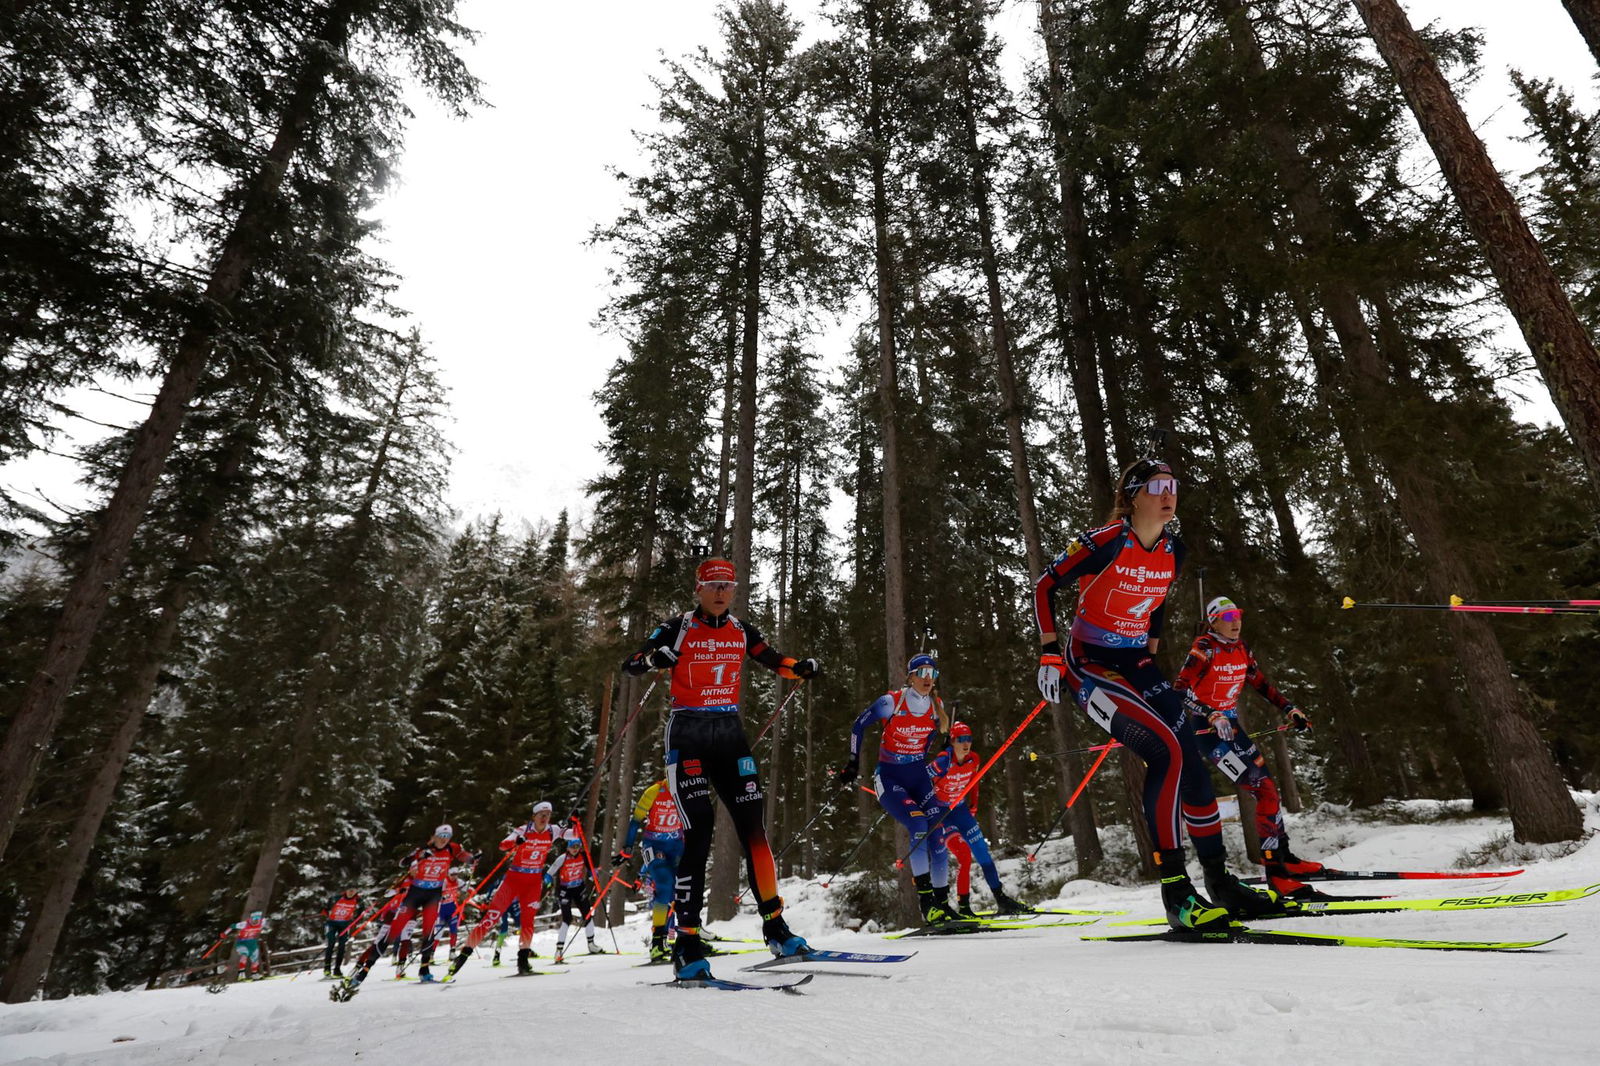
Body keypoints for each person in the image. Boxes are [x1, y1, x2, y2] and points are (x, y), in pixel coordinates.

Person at [1034, 458, 1278, 931]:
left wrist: (1148, 655)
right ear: (1133, 495)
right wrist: (1048, 653)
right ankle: (1176, 892)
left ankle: (1219, 881)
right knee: (1163, 750)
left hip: (1135, 661)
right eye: (1157, 486)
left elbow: (1158, 602)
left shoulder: (1174, 550)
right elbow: (1045, 585)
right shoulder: (1105, 541)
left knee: (1189, 753)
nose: (1168, 494)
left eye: (1174, 486)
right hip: (1089, 664)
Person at [622, 557, 820, 979]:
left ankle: (777, 928)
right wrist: (655, 659)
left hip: (729, 734)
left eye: (726, 585)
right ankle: (687, 941)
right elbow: (633, 661)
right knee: (699, 831)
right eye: (711, 584)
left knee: (755, 831)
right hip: (688, 733)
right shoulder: (678, 626)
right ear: (698, 589)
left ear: (733, 590)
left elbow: (773, 659)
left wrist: (798, 667)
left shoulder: (741, 631)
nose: (719, 592)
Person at [838, 657, 1025, 922]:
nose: (928, 677)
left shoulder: (936, 708)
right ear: (910, 676)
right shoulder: (892, 701)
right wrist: (853, 762)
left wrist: (929, 756)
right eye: (922, 672)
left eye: (932, 672)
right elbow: (859, 725)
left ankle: (941, 903)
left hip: (917, 778)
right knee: (918, 825)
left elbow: (927, 742)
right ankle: (927, 903)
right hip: (891, 779)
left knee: (937, 836)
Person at [1175, 595, 1320, 896]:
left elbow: (1262, 683)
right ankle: (1275, 873)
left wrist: (1289, 708)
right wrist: (1211, 713)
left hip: (1233, 729)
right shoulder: (1204, 648)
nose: (1235, 622)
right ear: (1213, 621)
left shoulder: (1241, 649)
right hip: (1208, 733)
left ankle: (1285, 859)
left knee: (1269, 791)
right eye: (1227, 618)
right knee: (1263, 791)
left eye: (1238, 615)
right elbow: (1179, 690)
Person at [334, 825, 473, 998]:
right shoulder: (422, 850)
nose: (444, 839)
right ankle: (363, 971)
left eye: (447, 836)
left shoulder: (452, 848)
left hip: (434, 894)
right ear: (434, 837)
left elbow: (463, 856)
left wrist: (472, 859)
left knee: (429, 932)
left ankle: (424, 971)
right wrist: (420, 858)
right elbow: (404, 862)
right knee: (393, 933)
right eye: (441, 836)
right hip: (415, 893)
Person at [450, 802, 561, 977]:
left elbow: (575, 835)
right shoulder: (523, 830)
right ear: (534, 816)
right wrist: (516, 842)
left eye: (548, 814)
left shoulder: (553, 830)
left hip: (533, 882)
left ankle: (523, 961)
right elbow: (503, 845)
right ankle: (464, 954)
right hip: (514, 879)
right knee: (491, 918)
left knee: (528, 922)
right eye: (541, 814)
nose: (545, 817)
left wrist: (573, 823)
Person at [613, 777, 685, 963]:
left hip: (676, 845)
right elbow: (636, 820)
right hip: (654, 845)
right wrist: (627, 848)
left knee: (684, 888)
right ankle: (657, 943)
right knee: (664, 884)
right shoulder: (654, 791)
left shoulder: (685, 789)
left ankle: (689, 936)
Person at [930, 721, 997, 919]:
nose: (966, 744)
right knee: (964, 856)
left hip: (961, 812)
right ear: (953, 741)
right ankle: (958, 906)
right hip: (943, 815)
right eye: (961, 740)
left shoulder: (973, 759)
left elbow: (974, 783)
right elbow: (923, 780)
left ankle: (996, 898)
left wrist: (974, 805)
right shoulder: (943, 761)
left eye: (969, 739)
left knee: (983, 853)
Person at [551, 831, 606, 959]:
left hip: (579, 888)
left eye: (577, 847)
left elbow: (591, 869)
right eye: (572, 847)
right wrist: (547, 880)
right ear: (568, 847)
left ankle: (591, 944)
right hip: (565, 890)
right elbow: (550, 871)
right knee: (567, 918)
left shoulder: (584, 856)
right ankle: (559, 950)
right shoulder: (562, 858)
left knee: (587, 915)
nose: (575, 850)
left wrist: (594, 874)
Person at [322, 889, 362, 977]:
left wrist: (355, 920)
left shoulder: (358, 901)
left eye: (353, 891)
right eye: (349, 890)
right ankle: (327, 969)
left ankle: (337, 969)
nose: (351, 893)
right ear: (346, 891)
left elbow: (360, 911)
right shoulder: (337, 898)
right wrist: (326, 912)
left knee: (342, 946)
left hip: (344, 925)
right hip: (332, 923)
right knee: (331, 944)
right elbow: (326, 907)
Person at [230, 910, 267, 981]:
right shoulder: (244, 924)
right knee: (244, 955)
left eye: (258, 919)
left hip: (252, 943)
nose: (256, 921)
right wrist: (224, 934)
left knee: (255, 959)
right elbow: (232, 926)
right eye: (254, 919)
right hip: (242, 943)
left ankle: (254, 974)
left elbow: (267, 922)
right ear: (251, 918)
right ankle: (241, 974)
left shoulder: (262, 922)